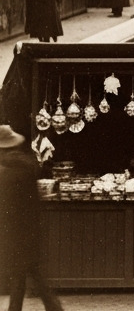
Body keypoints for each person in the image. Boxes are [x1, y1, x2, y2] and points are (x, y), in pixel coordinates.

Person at [1, 124, 64, 311]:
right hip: (30, 230)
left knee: (24, 276)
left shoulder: (6, 172)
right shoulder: (27, 165)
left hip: (14, 233)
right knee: (29, 275)